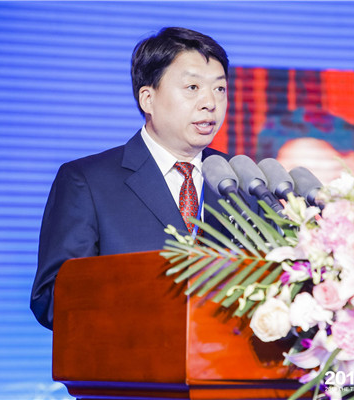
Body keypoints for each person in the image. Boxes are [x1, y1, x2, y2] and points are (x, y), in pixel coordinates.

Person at [30, 27, 236, 330]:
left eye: (219, 89)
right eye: (192, 87)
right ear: (147, 99)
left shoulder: (240, 179)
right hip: (130, 355)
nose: (210, 102)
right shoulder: (87, 182)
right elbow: (53, 299)